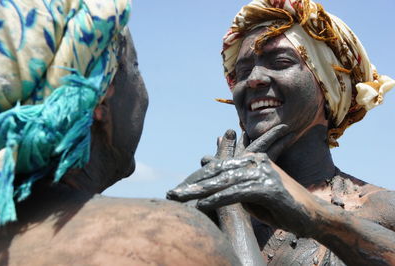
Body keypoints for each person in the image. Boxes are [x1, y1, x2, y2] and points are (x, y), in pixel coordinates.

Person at [0, 1, 239, 265]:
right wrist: (235, 210)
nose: (144, 91)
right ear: (100, 97)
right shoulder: (163, 241)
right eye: (135, 66)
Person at [167, 0, 395, 265]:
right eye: (243, 71)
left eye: (281, 62)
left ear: (327, 88)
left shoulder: (380, 211)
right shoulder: (197, 207)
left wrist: (233, 208)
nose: (253, 78)